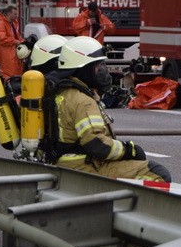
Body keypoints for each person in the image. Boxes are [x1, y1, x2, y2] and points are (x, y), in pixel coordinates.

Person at [48, 36, 170, 182]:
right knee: (156, 172)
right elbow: (97, 145)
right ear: (84, 70)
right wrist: (129, 150)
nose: (103, 72)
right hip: (83, 167)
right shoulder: (83, 101)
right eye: (98, 67)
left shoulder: (62, 93)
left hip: (67, 163)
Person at [0, 5, 25, 78]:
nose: (17, 16)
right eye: (15, 14)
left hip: (12, 54)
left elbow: (16, 36)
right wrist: (15, 41)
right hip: (6, 54)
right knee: (9, 74)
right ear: (9, 14)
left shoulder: (12, 24)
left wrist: (21, 41)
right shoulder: (1, 25)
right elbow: (2, 39)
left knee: (15, 73)